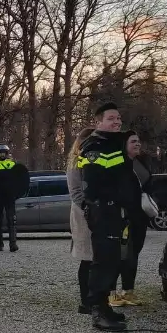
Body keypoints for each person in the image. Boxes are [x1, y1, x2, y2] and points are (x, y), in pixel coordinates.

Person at [77, 102, 138, 331]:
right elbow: (92, 186)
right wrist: (110, 204)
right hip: (104, 211)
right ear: (99, 122)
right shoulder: (94, 147)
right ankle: (98, 312)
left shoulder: (114, 145)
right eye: (111, 118)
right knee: (103, 262)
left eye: (118, 118)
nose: (117, 122)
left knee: (113, 261)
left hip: (116, 211)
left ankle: (105, 307)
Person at [111, 132, 151, 308]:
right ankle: (111, 292)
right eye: (133, 141)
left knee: (133, 255)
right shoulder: (118, 163)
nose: (137, 144)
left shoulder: (141, 162)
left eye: (138, 141)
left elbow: (149, 183)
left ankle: (128, 291)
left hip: (139, 217)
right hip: (123, 217)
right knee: (120, 256)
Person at [67, 128, 98, 315]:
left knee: (97, 258)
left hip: (99, 211)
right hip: (83, 214)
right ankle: (85, 300)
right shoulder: (75, 162)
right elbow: (75, 192)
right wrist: (89, 209)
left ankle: (96, 297)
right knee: (87, 257)